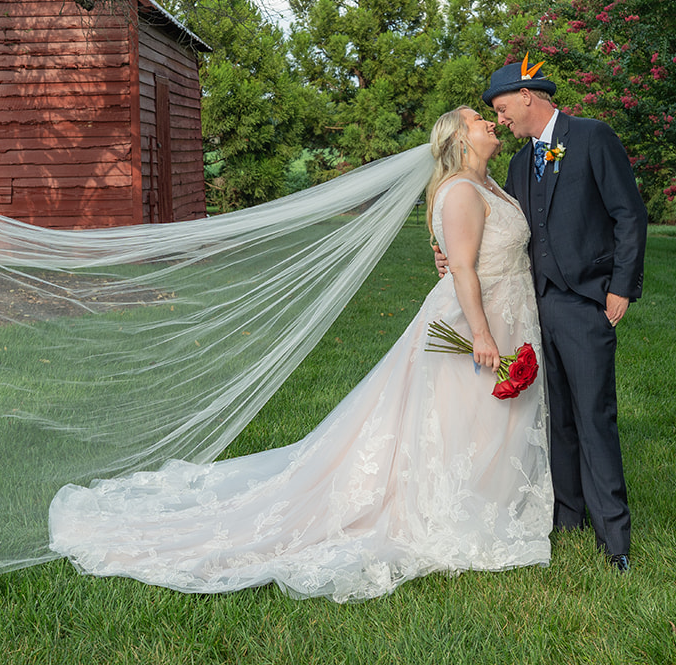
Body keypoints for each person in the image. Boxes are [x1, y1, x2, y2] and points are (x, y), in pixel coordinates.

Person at [47, 107, 552, 601]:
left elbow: (467, 254)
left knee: (483, 419)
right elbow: (462, 269)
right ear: (459, 138)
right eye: (477, 119)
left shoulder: (490, 184)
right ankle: (450, 510)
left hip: (507, 310)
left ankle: (489, 500)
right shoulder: (462, 189)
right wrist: (482, 335)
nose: (490, 122)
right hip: (476, 322)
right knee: (460, 419)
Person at [481, 56, 647, 571]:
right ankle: (566, 516)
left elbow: (629, 214)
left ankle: (613, 538)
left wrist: (621, 287)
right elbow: (505, 227)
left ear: (528, 95)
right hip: (537, 304)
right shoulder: (516, 164)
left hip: (585, 301)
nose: (501, 120)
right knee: (556, 417)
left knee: (595, 416)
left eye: (503, 108)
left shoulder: (593, 137)